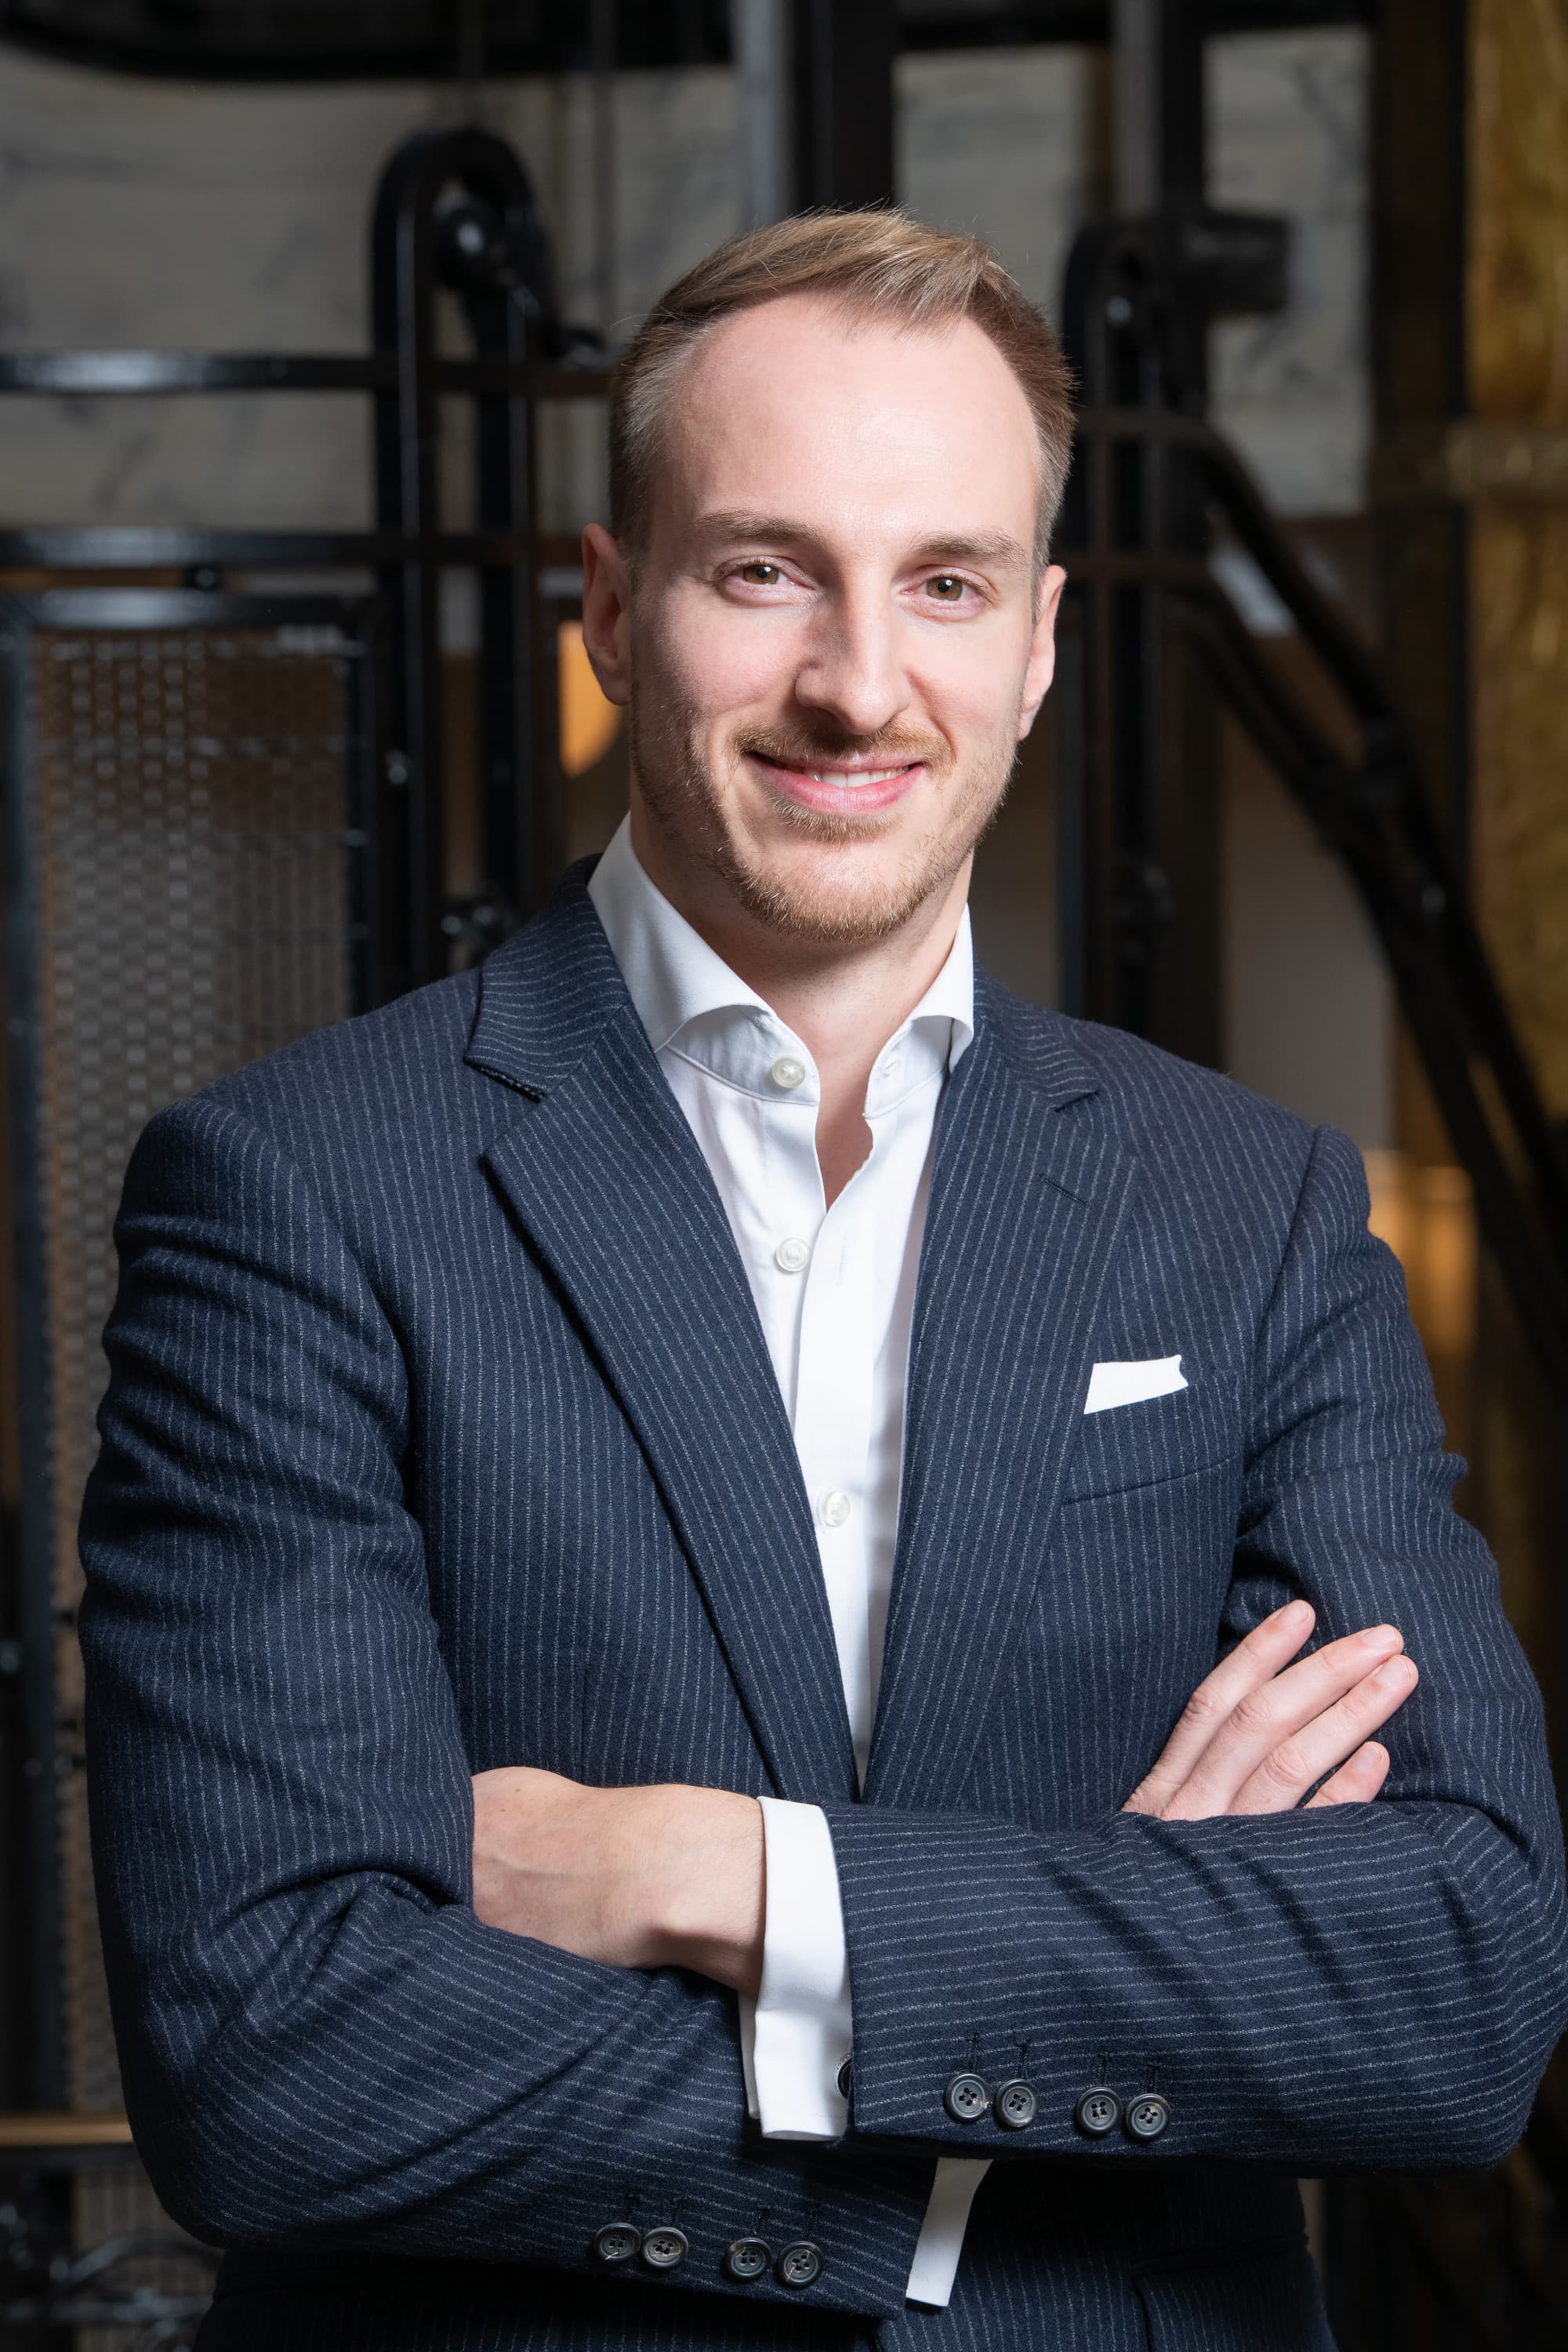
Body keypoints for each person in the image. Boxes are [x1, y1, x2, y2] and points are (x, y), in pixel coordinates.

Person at [79, 212, 1565, 2352]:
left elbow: (1461, 1982)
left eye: (947, 583)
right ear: (614, 609)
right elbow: (277, 2061)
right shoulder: (296, 1194)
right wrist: (1060, 2047)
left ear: (1039, 640)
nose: (860, 684)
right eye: (767, 571)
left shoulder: (1247, 1209)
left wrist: (723, 1879)